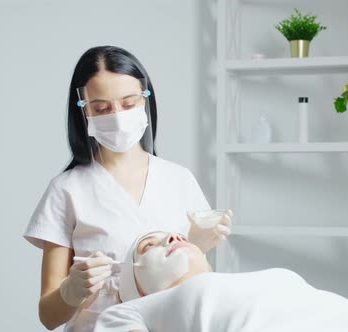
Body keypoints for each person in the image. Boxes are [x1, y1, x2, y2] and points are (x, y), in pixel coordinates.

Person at [23, 45, 233, 332]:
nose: (117, 115)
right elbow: (48, 316)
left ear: (146, 100)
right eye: (101, 108)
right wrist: (71, 291)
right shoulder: (67, 189)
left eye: (129, 103)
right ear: (84, 111)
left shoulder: (179, 179)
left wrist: (196, 245)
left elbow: (198, 291)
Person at [94, 231, 348, 332]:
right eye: (149, 245)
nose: (170, 238)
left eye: (175, 235)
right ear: (136, 284)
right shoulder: (137, 309)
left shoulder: (245, 280)